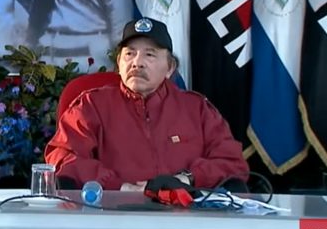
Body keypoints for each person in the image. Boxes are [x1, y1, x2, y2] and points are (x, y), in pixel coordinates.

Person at [45, 17, 249, 191]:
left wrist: (187, 179)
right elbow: (62, 156)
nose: (137, 62)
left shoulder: (196, 108)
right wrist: (118, 186)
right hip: (112, 216)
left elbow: (231, 162)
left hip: (185, 216)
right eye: (129, 54)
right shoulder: (91, 105)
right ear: (119, 64)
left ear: (170, 67)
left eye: (149, 54)